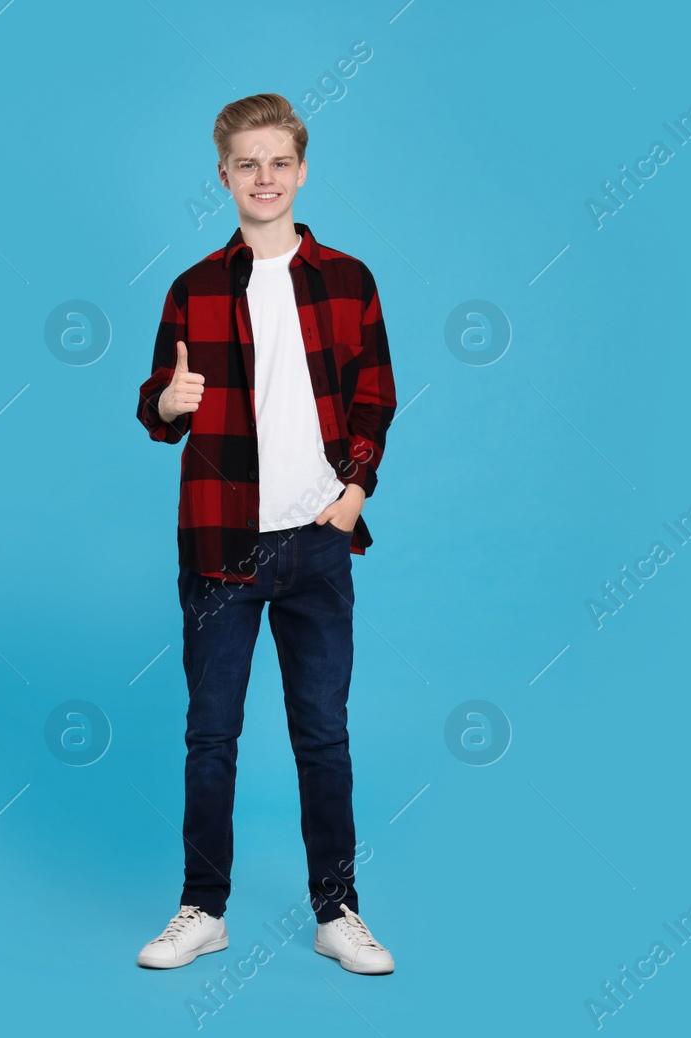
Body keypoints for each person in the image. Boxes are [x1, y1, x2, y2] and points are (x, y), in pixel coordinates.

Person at [133, 93, 398, 975]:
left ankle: (338, 910)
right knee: (212, 732)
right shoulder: (195, 287)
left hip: (317, 542)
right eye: (247, 163)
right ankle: (202, 907)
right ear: (223, 176)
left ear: (302, 170)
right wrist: (163, 405)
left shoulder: (350, 280)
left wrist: (354, 489)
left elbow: (375, 396)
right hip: (221, 544)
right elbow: (157, 402)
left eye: (278, 162)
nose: (264, 178)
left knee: (322, 733)